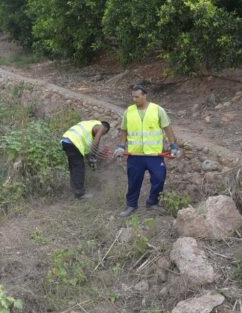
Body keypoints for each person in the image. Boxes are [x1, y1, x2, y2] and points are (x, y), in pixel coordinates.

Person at [113, 84, 180, 217]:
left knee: (159, 179)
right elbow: (124, 130)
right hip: (135, 155)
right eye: (133, 97)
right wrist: (121, 146)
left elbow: (167, 128)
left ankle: (152, 202)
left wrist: (173, 145)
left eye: (137, 97)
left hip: (154, 154)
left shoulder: (157, 110)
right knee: (134, 181)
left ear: (145, 96)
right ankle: (131, 205)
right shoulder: (129, 111)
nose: (134, 99)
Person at [61, 120, 111, 199]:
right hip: (74, 142)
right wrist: (93, 156)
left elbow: (87, 150)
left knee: (74, 168)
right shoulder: (101, 127)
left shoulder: (91, 123)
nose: (101, 135)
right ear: (105, 129)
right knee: (79, 168)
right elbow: (95, 143)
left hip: (66, 140)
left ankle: (74, 190)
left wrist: (90, 160)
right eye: (103, 134)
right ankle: (80, 194)